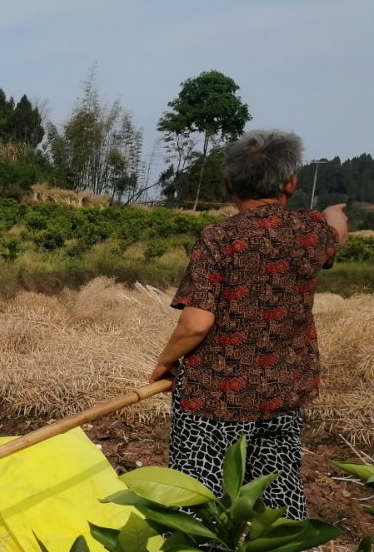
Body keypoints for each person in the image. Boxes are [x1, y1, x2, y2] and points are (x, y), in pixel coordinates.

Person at [149, 129, 348, 519]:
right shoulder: (309, 233)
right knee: (277, 489)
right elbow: (336, 234)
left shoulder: (219, 238)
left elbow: (196, 323)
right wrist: (334, 214)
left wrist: (165, 361)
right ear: (291, 183)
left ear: (229, 184)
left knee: (196, 493)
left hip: (214, 397)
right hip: (283, 390)